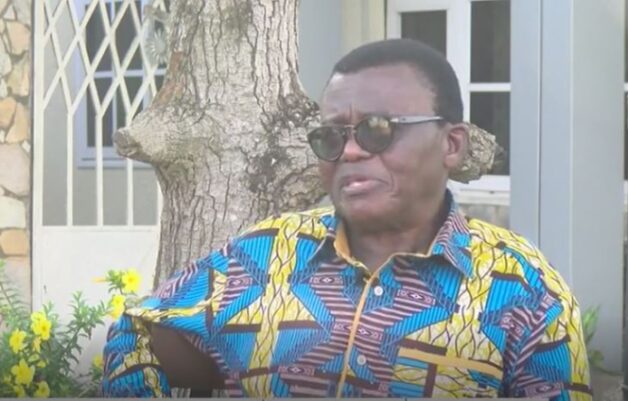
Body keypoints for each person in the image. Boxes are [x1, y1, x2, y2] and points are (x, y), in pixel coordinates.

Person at [101, 38, 592, 400]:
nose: (351, 151)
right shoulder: (261, 255)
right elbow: (136, 329)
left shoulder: (521, 285)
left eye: (378, 129)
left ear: (452, 144)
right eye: (332, 137)